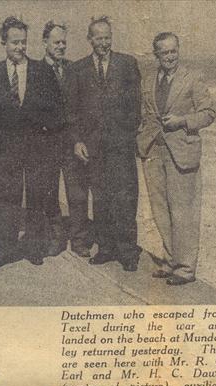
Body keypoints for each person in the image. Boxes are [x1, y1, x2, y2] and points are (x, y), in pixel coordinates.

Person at [0, 17, 64, 267]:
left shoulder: (42, 70)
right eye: (14, 42)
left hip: (36, 147)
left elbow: (55, 109)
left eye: (23, 42)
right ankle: (4, 250)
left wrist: (42, 131)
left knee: (36, 197)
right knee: (6, 198)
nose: (20, 47)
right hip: (6, 149)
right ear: (3, 43)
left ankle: (34, 248)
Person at [137, 33, 215, 285]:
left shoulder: (193, 78)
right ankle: (170, 261)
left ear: (178, 51)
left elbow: (208, 113)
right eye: (164, 52)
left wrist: (182, 121)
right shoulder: (148, 80)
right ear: (156, 55)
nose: (170, 57)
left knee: (184, 212)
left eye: (173, 51)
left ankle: (185, 269)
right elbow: (145, 114)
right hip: (154, 152)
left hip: (182, 152)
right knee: (161, 210)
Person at [67, 16, 141, 271]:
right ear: (89, 39)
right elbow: (72, 111)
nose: (104, 42)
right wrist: (77, 141)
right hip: (93, 148)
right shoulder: (78, 69)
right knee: (100, 199)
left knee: (125, 199)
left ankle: (128, 252)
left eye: (107, 37)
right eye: (98, 37)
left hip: (120, 148)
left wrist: (127, 137)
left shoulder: (127, 64)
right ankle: (107, 248)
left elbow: (135, 107)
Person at [42, 21, 91, 257]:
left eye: (64, 42)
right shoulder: (35, 71)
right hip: (48, 144)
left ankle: (80, 240)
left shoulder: (75, 69)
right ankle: (55, 238)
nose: (61, 46)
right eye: (56, 42)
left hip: (72, 143)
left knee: (78, 194)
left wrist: (79, 139)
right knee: (50, 193)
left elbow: (82, 108)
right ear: (45, 43)